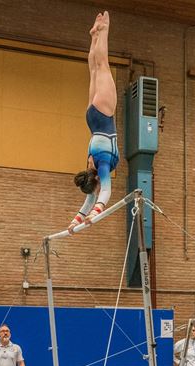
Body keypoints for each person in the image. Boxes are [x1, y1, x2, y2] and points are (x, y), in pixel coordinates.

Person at [68, 11, 119, 234]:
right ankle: (93, 36)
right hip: (91, 117)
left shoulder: (103, 166)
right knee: (93, 71)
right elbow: (89, 200)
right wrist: (74, 223)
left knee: (103, 65)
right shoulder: (90, 164)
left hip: (104, 115)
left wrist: (96, 213)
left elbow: (105, 193)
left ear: (96, 182)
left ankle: (104, 30)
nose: (96, 192)